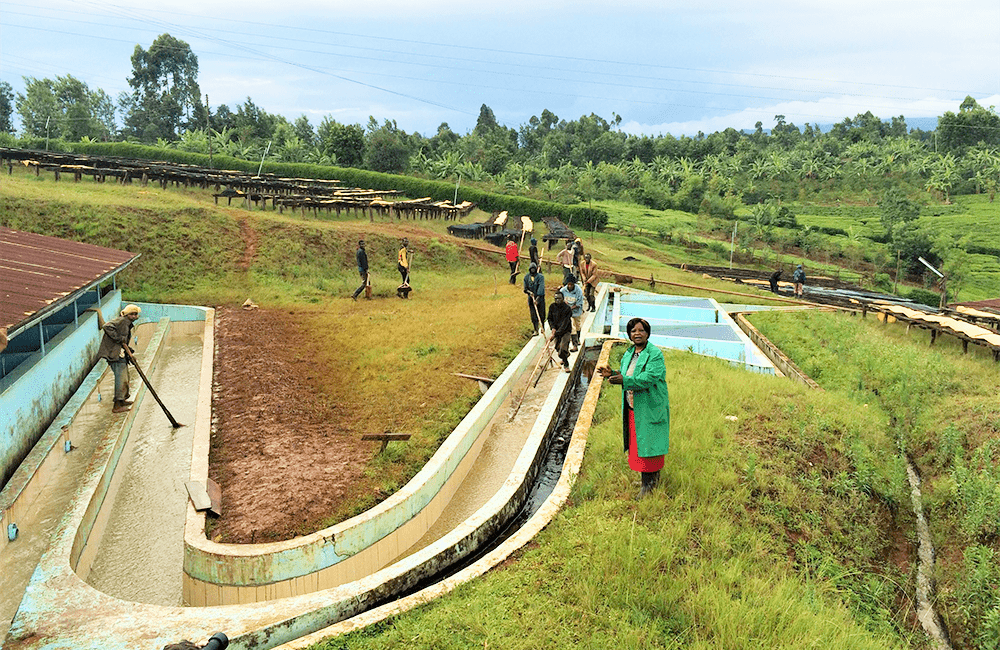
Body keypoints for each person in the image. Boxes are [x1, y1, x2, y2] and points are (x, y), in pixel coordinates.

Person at [597, 318, 670, 498]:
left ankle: (649, 486)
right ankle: (649, 481)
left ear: (647, 333)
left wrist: (624, 381)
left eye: (641, 330)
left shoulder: (654, 354)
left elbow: (648, 378)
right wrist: (613, 374)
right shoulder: (630, 353)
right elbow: (628, 374)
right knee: (639, 446)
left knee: (650, 446)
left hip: (649, 407)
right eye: (633, 331)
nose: (637, 334)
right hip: (634, 408)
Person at [98, 304, 141, 413]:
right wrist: (118, 338)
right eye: (132, 314)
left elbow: (124, 342)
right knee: (120, 379)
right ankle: (117, 406)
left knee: (125, 378)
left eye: (136, 314)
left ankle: (122, 400)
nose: (134, 316)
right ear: (127, 314)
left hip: (120, 354)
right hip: (114, 354)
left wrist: (129, 351)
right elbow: (106, 326)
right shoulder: (122, 321)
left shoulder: (127, 324)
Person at [546, 291, 573, 373]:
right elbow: (549, 319)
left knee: (562, 348)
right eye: (556, 299)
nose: (557, 300)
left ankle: (566, 364)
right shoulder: (552, 307)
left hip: (565, 331)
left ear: (563, 299)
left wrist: (555, 334)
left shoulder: (567, 309)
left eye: (559, 299)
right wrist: (553, 328)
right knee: (557, 348)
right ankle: (565, 356)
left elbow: (565, 323)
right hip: (556, 331)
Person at [560, 275, 585, 352]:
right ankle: (575, 345)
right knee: (572, 327)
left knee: (578, 326)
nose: (570, 286)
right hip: (568, 313)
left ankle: (578, 339)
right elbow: (559, 299)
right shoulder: (563, 291)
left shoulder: (578, 291)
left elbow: (579, 303)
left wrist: (571, 307)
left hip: (576, 311)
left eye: (571, 284)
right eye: (568, 284)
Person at [523, 262, 546, 336]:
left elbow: (541, 287)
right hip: (531, 298)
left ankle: (542, 327)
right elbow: (525, 288)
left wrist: (538, 299)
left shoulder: (540, 277)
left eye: (534, 269)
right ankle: (535, 329)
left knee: (541, 314)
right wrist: (529, 292)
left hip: (540, 298)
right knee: (533, 315)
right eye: (531, 269)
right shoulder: (526, 277)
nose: (532, 270)